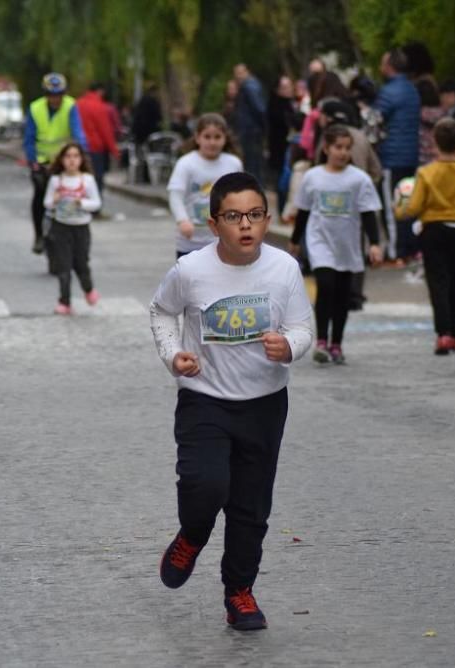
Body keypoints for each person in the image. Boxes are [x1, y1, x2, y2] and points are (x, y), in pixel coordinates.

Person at [149, 172, 314, 632]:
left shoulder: (284, 268)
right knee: (205, 485)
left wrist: (291, 346)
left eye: (255, 215)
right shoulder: (191, 270)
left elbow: (303, 326)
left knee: (250, 507)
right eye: (234, 216)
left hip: (265, 404)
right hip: (205, 401)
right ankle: (192, 534)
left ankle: (239, 591)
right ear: (214, 222)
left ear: (266, 219)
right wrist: (172, 354)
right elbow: (162, 311)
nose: (246, 225)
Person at [289, 124, 382, 364]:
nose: (342, 153)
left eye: (347, 148)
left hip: (347, 244)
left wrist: (374, 243)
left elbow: (369, 213)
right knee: (326, 285)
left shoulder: (359, 179)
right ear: (326, 148)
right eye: (338, 147)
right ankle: (321, 341)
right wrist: (295, 240)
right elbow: (304, 212)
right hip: (320, 241)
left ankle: (337, 343)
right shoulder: (313, 177)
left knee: (342, 294)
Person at [395, 118, 455, 355]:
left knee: (438, 282)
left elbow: (415, 206)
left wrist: (399, 210)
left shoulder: (426, 172)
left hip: (433, 230)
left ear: (435, 142)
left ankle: (442, 335)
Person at [23, 73, 88, 255]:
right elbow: (29, 138)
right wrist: (33, 162)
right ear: (45, 95)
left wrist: (82, 155)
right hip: (42, 162)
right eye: (52, 95)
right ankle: (38, 235)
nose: (55, 99)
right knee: (39, 197)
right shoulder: (36, 108)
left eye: (58, 95)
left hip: (63, 161)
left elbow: (78, 132)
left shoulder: (70, 106)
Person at [168, 113, 243, 259]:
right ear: (197, 138)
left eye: (217, 137)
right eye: (207, 137)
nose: (212, 142)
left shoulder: (233, 163)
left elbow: (241, 196)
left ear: (225, 138)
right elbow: (175, 195)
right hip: (191, 241)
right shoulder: (186, 164)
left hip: (223, 240)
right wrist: (182, 220)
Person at [43, 142, 101, 315]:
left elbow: (96, 203)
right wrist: (54, 199)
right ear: (61, 160)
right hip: (60, 227)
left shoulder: (87, 180)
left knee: (81, 264)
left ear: (81, 159)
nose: (72, 161)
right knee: (64, 266)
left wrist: (81, 202)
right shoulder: (56, 180)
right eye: (68, 156)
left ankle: (88, 289)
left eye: (75, 156)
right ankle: (64, 301)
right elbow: (46, 203)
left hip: (81, 228)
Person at [375, 49, 420, 262]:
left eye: (383, 63)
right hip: (411, 156)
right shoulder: (412, 89)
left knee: (393, 209)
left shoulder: (388, 92)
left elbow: (374, 121)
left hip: (391, 158)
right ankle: (410, 250)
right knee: (408, 204)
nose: (380, 67)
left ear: (390, 66)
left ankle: (395, 253)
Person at [76, 82, 120, 205]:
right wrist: (114, 150)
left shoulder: (77, 104)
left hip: (80, 148)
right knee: (97, 179)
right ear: (100, 91)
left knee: (81, 178)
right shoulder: (98, 106)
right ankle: (95, 207)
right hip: (96, 148)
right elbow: (105, 130)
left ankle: (82, 204)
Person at [232, 63, 266, 181]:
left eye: (240, 72)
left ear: (247, 71)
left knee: (252, 163)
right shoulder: (251, 85)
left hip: (251, 130)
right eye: (236, 73)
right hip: (251, 130)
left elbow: (259, 108)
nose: (238, 76)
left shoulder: (249, 87)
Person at [266, 76, 295, 187]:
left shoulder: (290, 103)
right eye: (284, 87)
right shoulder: (275, 104)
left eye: (289, 86)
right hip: (279, 144)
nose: (288, 90)